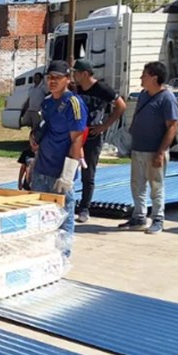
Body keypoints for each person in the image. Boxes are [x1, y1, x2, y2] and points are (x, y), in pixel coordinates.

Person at [30, 60, 88, 254]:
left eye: (57, 78)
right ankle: (44, 255)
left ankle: (63, 257)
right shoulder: (46, 102)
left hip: (60, 172)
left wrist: (68, 174)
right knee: (41, 217)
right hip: (42, 168)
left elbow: (77, 139)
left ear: (67, 79)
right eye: (49, 77)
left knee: (64, 218)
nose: (52, 81)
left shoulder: (73, 103)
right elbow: (44, 128)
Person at [119, 61, 178, 235]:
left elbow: (172, 127)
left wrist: (160, 152)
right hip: (138, 148)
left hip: (154, 151)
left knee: (156, 186)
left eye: (144, 75)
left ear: (154, 77)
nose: (141, 78)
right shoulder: (144, 95)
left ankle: (158, 218)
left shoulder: (167, 98)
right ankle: (139, 217)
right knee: (137, 185)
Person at [72, 60, 128, 223]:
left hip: (93, 135)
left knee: (88, 172)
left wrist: (105, 125)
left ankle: (84, 208)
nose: (74, 76)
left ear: (85, 74)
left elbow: (121, 105)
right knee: (69, 168)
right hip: (77, 133)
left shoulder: (102, 89)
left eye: (76, 72)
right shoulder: (77, 88)